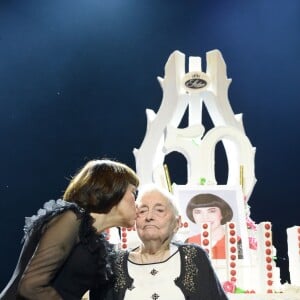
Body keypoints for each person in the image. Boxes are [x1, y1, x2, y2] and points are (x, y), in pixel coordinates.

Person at [0, 159, 139, 300]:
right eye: (134, 192)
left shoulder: (97, 246)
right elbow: (31, 287)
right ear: (112, 189)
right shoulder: (71, 220)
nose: (137, 202)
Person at [109, 185, 228, 300]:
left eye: (159, 210)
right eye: (142, 211)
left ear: (177, 223)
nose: (149, 216)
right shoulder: (115, 263)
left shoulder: (194, 257)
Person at [185, 193, 242, 259]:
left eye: (212, 211)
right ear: (193, 216)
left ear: (223, 213)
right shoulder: (189, 242)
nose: (205, 217)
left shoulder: (237, 242)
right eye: (198, 212)